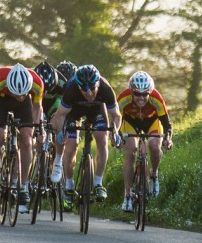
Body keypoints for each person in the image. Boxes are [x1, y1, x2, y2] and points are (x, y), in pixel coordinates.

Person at [50, 64, 122, 211]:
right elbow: (60, 115)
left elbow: (116, 116)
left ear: (98, 83)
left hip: (96, 111)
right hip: (73, 113)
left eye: (92, 89)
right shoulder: (71, 89)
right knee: (71, 146)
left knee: (102, 140)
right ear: (78, 87)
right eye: (84, 89)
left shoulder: (106, 88)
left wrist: (115, 132)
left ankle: (98, 183)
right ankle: (69, 188)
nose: (89, 93)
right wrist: (60, 133)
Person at [0, 63, 44, 214]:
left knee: (27, 140)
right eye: (17, 93)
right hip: (1, 101)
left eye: (23, 93)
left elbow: (37, 108)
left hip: (24, 107)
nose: (19, 96)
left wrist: (36, 129)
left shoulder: (37, 83)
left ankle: (23, 185)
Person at [117, 71, 173, 212]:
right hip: (130, 123)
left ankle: (154, 175)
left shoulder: (157, 98)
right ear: (131, 92)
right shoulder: (123, 98)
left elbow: (167, 125)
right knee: (130, 152)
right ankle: (128, 196)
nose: (141, 98)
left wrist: (168, 138)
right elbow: (116, 120)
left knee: (154, 146)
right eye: (137, 94)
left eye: (144, 94)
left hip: (151, 122)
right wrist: (116, 136)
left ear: (150, 92)